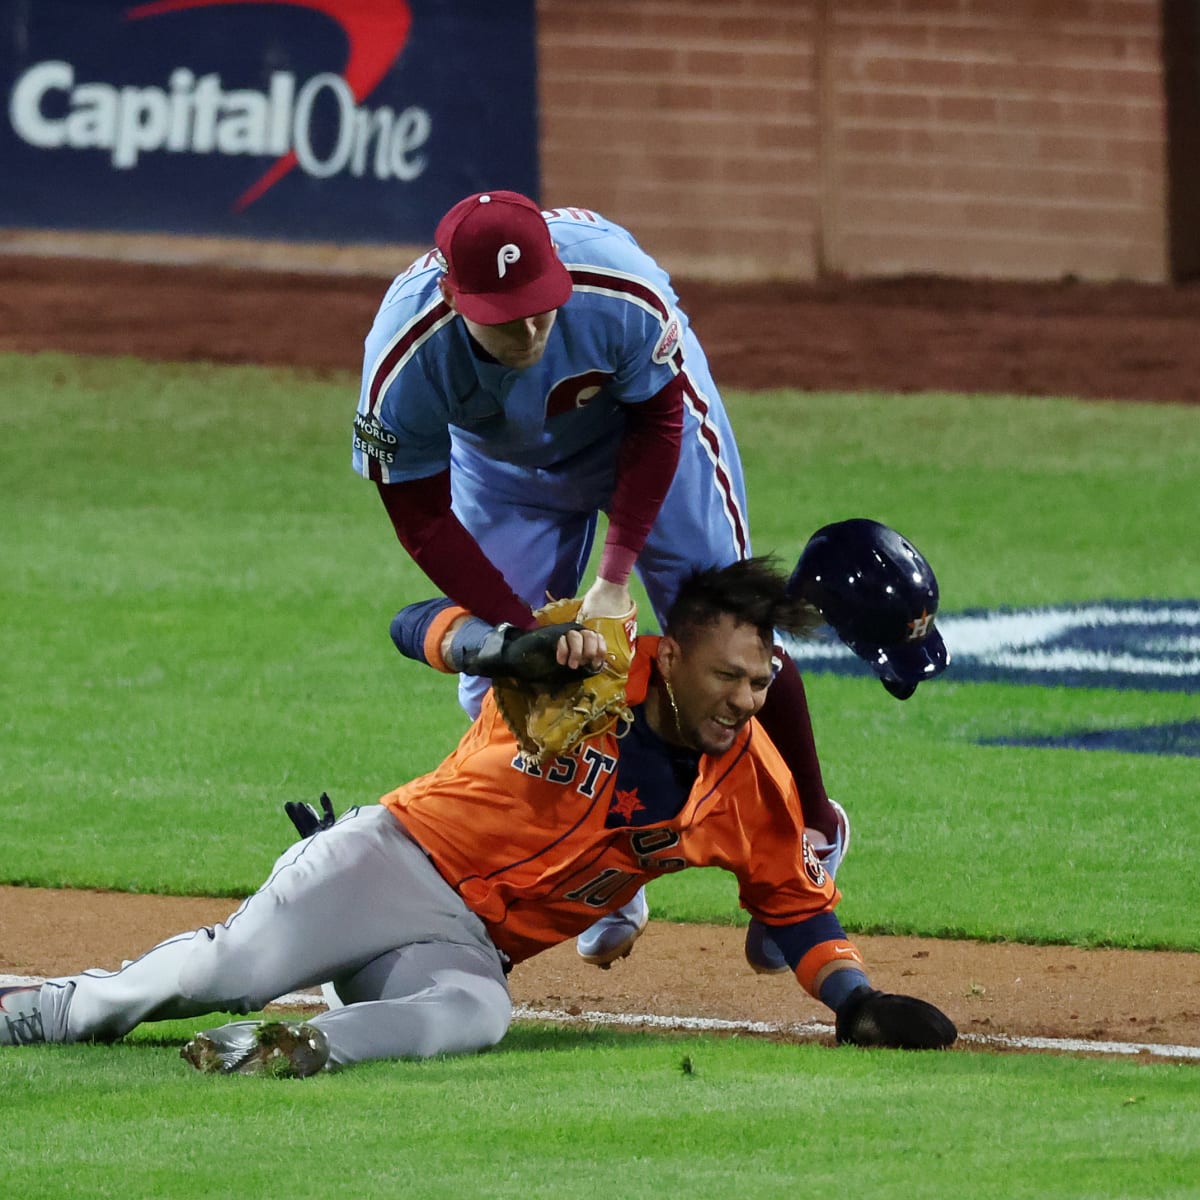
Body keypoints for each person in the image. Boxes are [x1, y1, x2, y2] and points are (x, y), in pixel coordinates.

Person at [0, 559, 955, 1075]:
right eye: (728, 676)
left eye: (761, 681)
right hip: (387, 865)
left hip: (467, 946)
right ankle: (56, 1009)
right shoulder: (586, 662)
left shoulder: (753, 783)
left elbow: (796, 907)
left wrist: (854, 1001)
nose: (746, 700)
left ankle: (297, 1049)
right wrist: (502, 648)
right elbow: (410, 623)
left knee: (478, 1014)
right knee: (229, 970)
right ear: (669, 658)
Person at [351, 188, 848, 968]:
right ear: (454, 298)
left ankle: (814, 831)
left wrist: (615, 578)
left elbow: (658, 419)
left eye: (541, 307)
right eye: (504, 315)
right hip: (507, 468)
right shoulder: (405, 361)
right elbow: (421, 516)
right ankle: (600, 870)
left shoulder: (618, 290)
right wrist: (521, 634)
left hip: (646, 432)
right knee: (497, 686)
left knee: (729, 635)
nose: (529, 328)